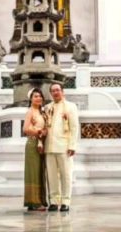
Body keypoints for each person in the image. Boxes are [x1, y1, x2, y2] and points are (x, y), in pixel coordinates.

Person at [43, 82, 80, 212]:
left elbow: (74, 127)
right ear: (51, 93)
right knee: (51, 176)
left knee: (66, 175)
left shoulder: (71, 107)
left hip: (64, 146)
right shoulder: (47, 107)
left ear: (62, 91)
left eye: (58, 90)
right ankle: (54, 201)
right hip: (49, 146)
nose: (55, 92)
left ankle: (65, 201)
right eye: (53, 91)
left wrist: (72, 145)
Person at [22, 88, 48, 211]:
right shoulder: (30, 112)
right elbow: (26, 129)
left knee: (39, 171)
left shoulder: (42, 112)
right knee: (33, 172)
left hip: (41, 143)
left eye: (40, 96)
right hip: (33, 143)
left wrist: (44, 133)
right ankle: (34, 202)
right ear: (31, 99)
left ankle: (41, 200)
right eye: (35, 96)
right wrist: (39, 132)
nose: (38, 98)